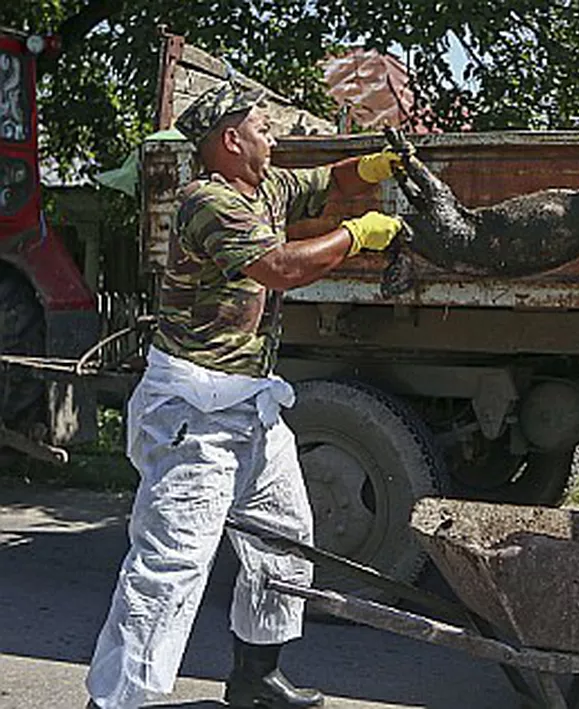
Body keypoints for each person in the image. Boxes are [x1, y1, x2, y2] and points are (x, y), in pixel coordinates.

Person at [85, 82, 405, 709]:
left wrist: (371, 166)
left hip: (250, 405)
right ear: (231, 140)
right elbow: (280, 268)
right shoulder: (208, 202)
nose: (275, 137)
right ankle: (116, 701)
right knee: (172, 564)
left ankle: (257, 677)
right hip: (192, 414)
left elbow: (328, 182)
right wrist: (356, 237)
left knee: (285, 538)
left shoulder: (267, 187)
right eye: (263, 128)